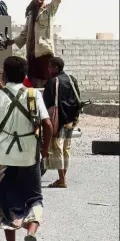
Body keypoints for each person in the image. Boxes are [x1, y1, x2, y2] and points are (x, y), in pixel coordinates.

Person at [0, 56, 53, 241]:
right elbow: (48, 125)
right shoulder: (34, 94)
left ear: (5, 73)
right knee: (34, 198)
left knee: (6, 204)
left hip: (3, 158)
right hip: (29, 156)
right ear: (24, 74)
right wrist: (44, 150)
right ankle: (31, 232)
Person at [6, 0, 66, 88]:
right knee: (33, 81)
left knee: (46, 80)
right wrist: (10, 42)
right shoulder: (30, 14)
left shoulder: (49, 10)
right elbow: (24, 34)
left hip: (44, 53)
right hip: (32, 53)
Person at [42, 57, 81, 188]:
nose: (47, 69)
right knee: (66, 148)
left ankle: (62, 179)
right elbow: (77, 97)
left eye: (49, 66)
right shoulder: (71, 79)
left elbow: (46, 103)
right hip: (71, 119)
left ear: (56, 67)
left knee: (57, 147)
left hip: (58, 119)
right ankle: (63, 177)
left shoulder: (52, 82)